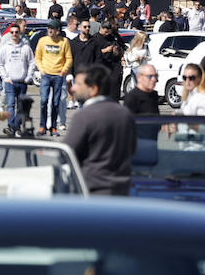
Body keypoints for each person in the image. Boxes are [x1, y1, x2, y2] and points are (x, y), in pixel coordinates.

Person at [62, 64, 137, 196]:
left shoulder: (84, 116)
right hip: (122, 189)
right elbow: (132, 149)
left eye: (78, 84)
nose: (73, 88)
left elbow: (66, 152)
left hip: (92, 190)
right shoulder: (125, 114)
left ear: (93, 89)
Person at [34, 20, 73, 135]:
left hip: (58, 75)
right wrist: (41, 69)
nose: (50, 30)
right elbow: (38, 57)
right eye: (49, 28)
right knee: (44, 101)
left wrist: (64, 71)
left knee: (56, 102)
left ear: (58, 30)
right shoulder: (42, 41)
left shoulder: (64, 41)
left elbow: (69, 58)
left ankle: (54, 127)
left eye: (53, 28)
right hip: (46, 74)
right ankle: (42, 126)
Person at [0, 24, 33, 134]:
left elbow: (32, 62)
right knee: (10, 105)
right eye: (12, 32)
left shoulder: (26, 48)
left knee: (21, 106)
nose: (14, 34)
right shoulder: (5, 48)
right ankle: (12, 126)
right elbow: (0, 63)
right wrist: (5, 77)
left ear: (19, 33)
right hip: (10, 82)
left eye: (16, 32)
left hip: (22, 81)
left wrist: (28, 77)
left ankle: (16, 126)